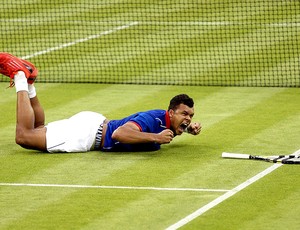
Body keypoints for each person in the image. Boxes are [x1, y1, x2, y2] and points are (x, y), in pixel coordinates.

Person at [0, 52, 202, 153]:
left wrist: (186, 128)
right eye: (184, 114)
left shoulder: (165, 122)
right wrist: (155, 138)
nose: (188, 118)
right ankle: (20, 77)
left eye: (190, 115)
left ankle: (30, 84)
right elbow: (119, 134)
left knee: (38, 128)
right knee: (24, 137)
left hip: (92, 124)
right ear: (171, 112)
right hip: (87, 135)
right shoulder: (154, 119)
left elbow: (169, 129)